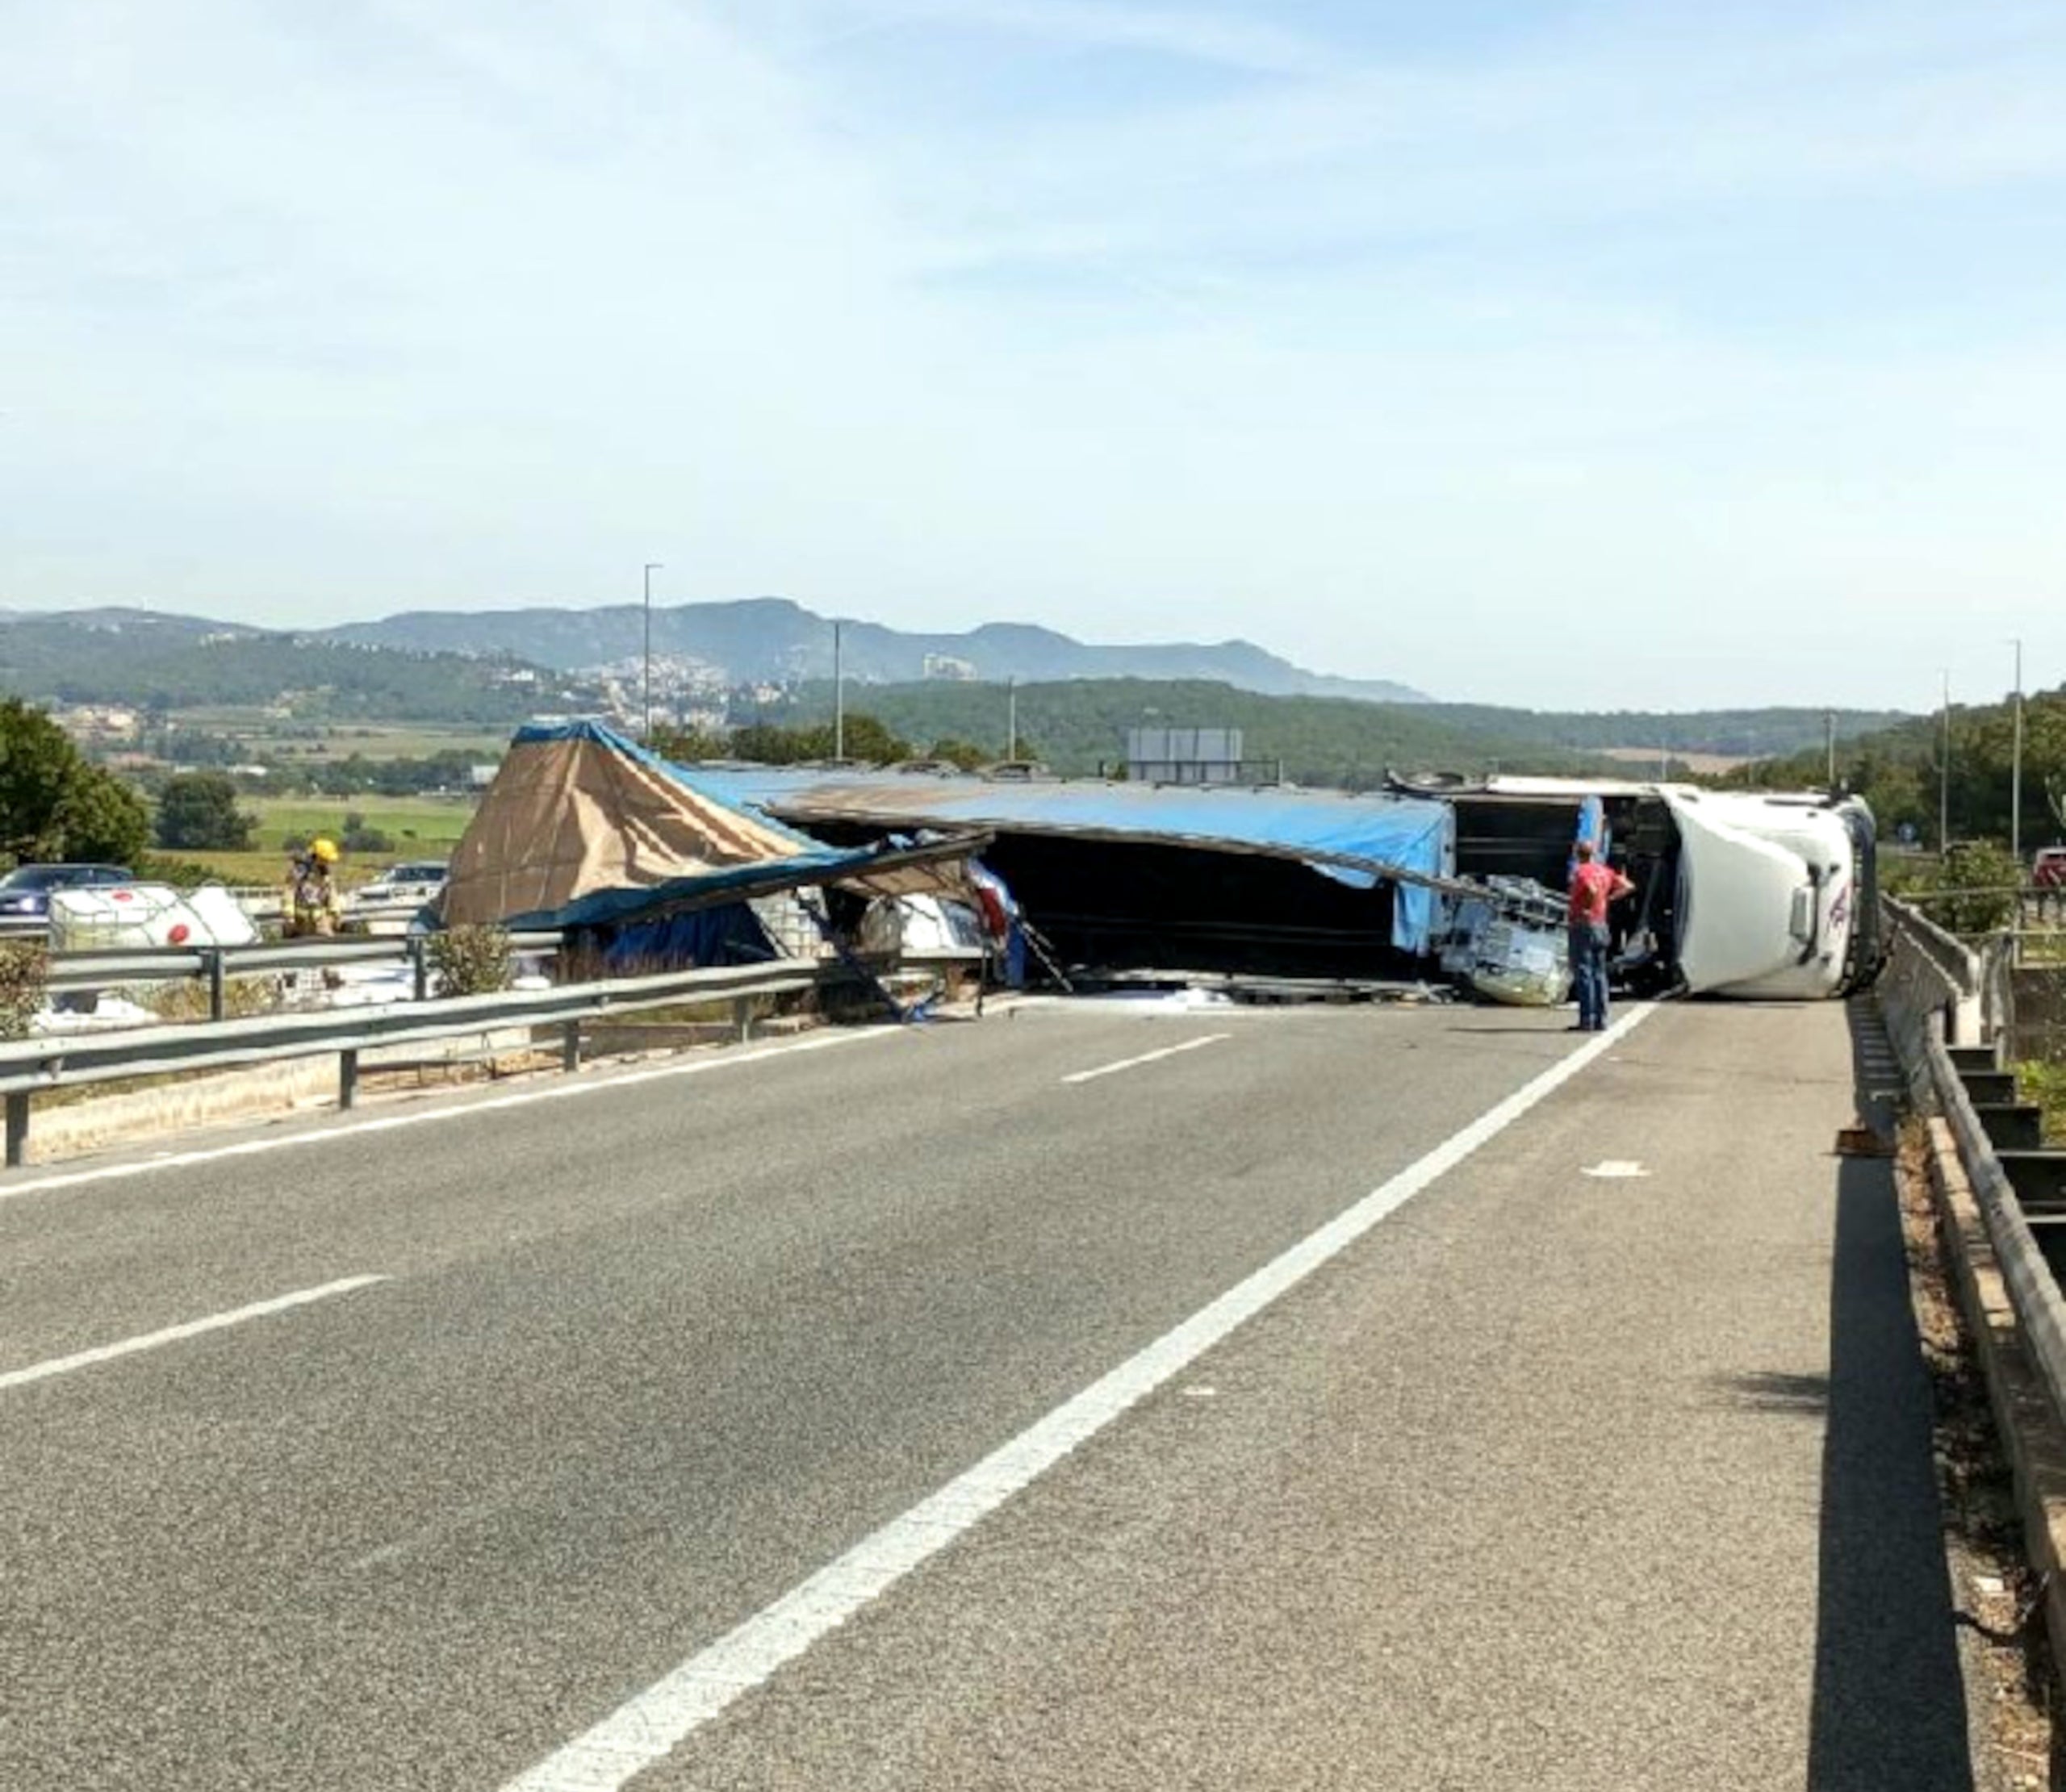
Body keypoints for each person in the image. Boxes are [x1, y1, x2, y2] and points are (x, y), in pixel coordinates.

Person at [1566, 838, 1634, 1032]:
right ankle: (1602, 1018)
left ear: (1578, 853)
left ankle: (1587, 1019)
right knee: (1599, 972)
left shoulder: (1581, 872)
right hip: (1601, 924)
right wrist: (1608, 899)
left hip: (1583, 924)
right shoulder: (1604, 871)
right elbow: (1628, 886)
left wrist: (1588, 904)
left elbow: (1589, 888)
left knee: (1583, 971)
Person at [282, 837, 344, 938]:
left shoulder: (326, 875)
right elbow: (289, 894)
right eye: (325, 860)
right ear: (317, 858)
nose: (327, 863)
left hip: (321, 924)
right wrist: (289, 917)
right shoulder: (298, 872)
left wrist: (334, 914)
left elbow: (332, 895)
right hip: (300, 924)